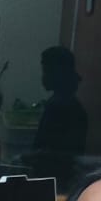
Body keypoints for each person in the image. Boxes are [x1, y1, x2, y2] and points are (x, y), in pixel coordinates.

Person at [29, 45, 89, 182]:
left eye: (46, 71)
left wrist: (25, 158)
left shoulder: (60, 107)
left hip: (55, 180)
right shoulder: (67, 103)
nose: (43, 77)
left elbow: (51, 153)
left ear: (56, 73)